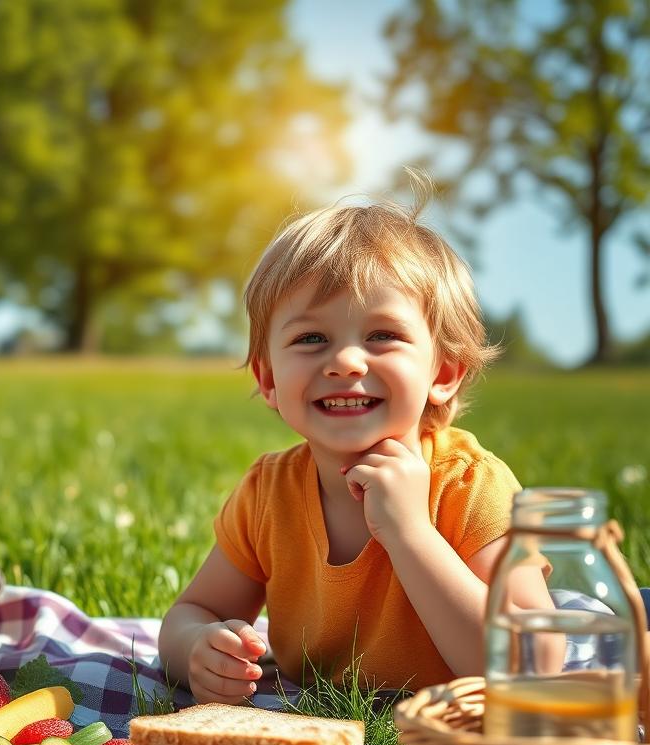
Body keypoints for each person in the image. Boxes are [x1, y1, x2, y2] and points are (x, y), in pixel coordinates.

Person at [158, 185, 556, 705]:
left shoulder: (468, 485)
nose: (346, 361)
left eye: (382, 336)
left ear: (445, 372)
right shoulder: (269, 493)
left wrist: (410, 533)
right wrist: (197, 650)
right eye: (310, 339)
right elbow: (189, 615)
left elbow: (535, 666)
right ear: (270, 378)